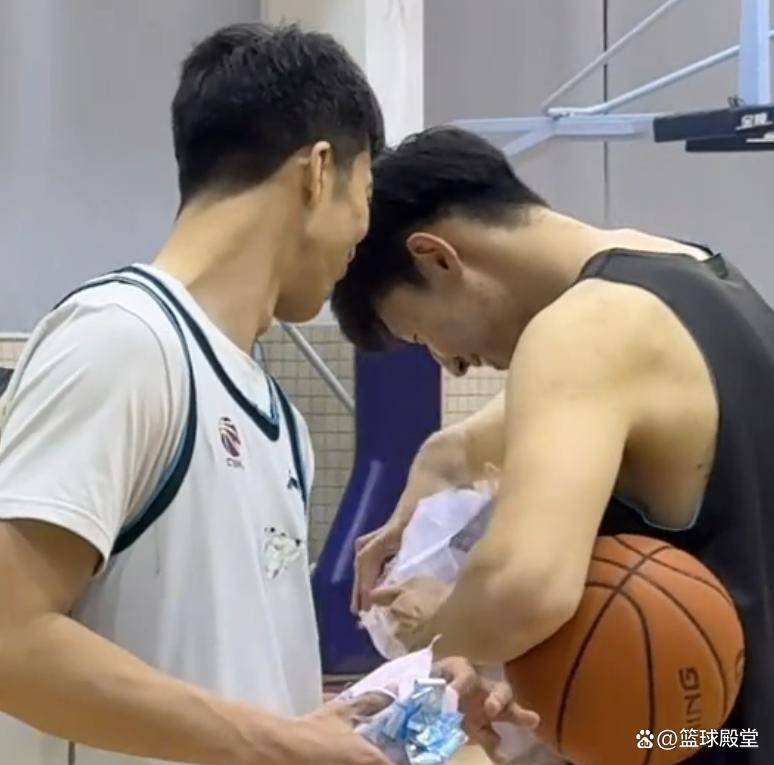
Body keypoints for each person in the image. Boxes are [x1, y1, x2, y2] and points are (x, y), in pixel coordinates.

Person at [0, 27, 531, 765]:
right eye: (365, 197)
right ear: (318, 172)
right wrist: (282, 741)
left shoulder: (278, 419)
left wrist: (392, 715)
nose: (361, 235)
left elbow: (241, 701)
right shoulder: (123, 340)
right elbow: (10, 635)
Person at [333, 125, 774, 764]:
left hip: (689, 740)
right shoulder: (693, 273)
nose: (450, 362)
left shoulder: (581, 330)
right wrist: (433, 473)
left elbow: (523, 588)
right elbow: (471, 441)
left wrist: (423, 638)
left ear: (436, 258)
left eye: (422, 335)